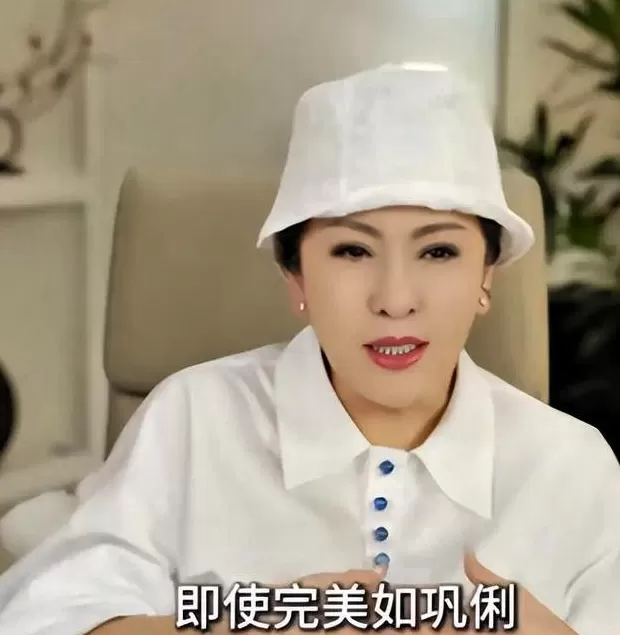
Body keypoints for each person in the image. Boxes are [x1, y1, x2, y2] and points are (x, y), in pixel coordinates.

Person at [0, 63, 617, 635]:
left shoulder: (570, 466)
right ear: (295, 276)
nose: (395, 300)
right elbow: (48, 616)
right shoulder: (193, 419)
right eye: (352, 250)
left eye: (438, 251)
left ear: (487, 275)